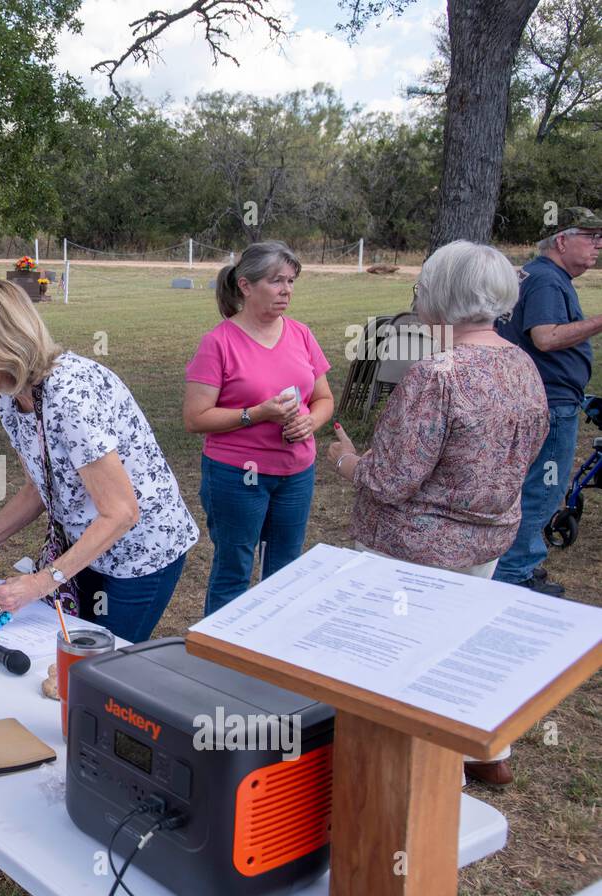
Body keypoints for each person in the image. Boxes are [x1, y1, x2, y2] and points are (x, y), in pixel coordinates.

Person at [327, 240, 549, 787]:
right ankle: (485, 751)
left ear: (439, 300)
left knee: (406, 661)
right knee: (461, 647)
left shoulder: (438, 374)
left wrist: (347, 461)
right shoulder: (521, 362)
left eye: (419, 289)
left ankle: (422, 773)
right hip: (488, 538)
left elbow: (392, 479)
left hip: (413, 552)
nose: (416, 299)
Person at [0, 280, 198, 643]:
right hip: (89, 547)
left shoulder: (71, 395)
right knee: (70, 657)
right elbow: (38, 489)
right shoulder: (10, 396)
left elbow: (121, 512)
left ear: (7, 340)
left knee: (102, 669)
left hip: (142, 553)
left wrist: (40, 584)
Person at [183, 241, 334, 616]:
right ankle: (221, 657)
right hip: (237, 475)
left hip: (296, 472)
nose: (286, 290)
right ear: (246, 286)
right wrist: (257, 414)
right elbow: (195, 418)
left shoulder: (300, 334)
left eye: (291, 281)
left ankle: (271, 651)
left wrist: (309, 422)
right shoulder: (218, 343)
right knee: (234, 570)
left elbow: (324, 399)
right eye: (276, 281)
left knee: (286, 569)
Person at [492, 206, 602, 596]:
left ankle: (518, 566)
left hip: (534, 398)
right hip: (550, 404)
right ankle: (515, 576)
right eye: (590, 237)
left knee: (526, 488)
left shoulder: (536, 276)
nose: (597, 246)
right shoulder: (545, 280)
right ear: (562, 240)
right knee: (545, 489)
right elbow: (546, 337)